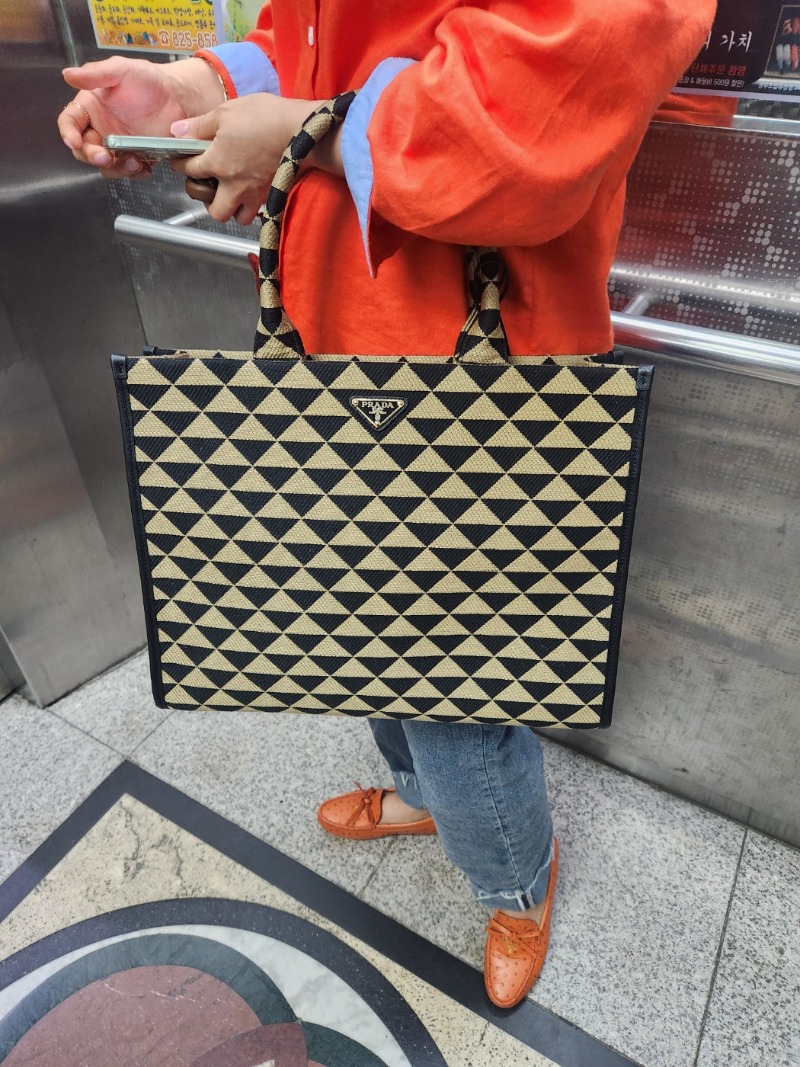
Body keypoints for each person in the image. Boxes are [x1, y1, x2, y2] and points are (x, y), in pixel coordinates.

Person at [58, 0, 716, 1009]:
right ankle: (422, 799)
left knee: (460, 690)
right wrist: (196, 92)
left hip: (480, 380)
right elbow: (315, 33)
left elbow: (548, 96)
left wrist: (299, 133)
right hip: (344, 338)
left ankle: (515, 879)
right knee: (366, 631)